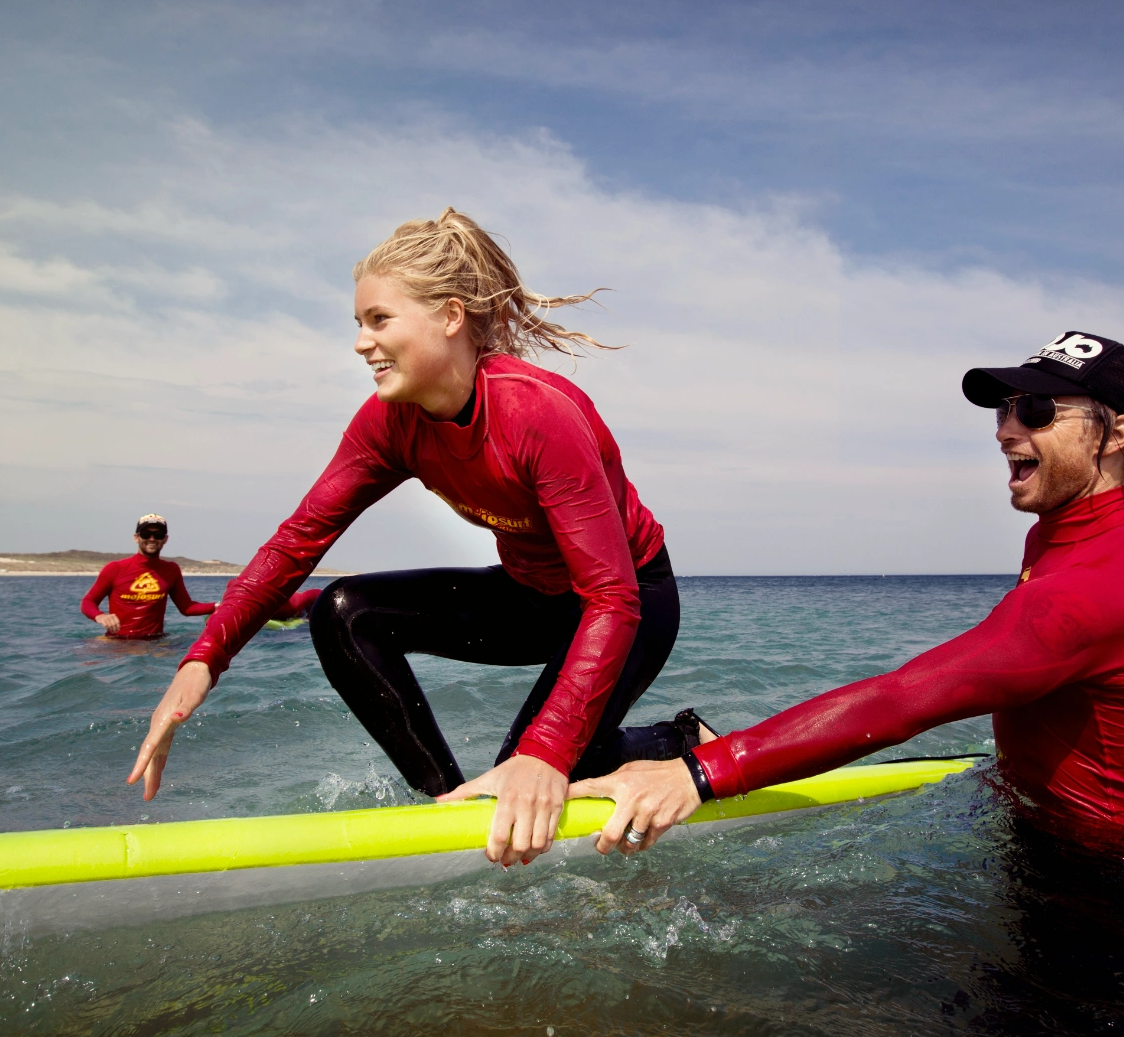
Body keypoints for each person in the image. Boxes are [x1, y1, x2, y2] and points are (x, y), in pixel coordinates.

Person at [127, 209, 703, 865]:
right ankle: (450, 806)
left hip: (629, 603)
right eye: (357, 325)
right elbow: (297, 542)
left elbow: (611, 597)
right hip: (530, 598)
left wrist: (543, 757)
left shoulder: (535, 414)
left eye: (379, 319)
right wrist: (203, 660)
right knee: (345, 613)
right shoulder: (390, 423)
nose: (360, 343)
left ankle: (677, 741)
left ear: (450, 316)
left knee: (550, 769)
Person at [572, 330, 1124, 857]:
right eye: (1003, 410)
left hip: (1108, 877)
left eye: (1035, 411)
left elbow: (907, 698)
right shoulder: (1066, 541)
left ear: (1114, 436)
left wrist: (700, 776)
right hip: (1043, 834)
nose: (1006, 431)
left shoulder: (1098, 584)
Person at [80, 514, 218, 638]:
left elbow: (187, 607)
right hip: (118, 643)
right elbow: (88, 602)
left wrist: (219, 606)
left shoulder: (171, 569)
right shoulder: (115, 568)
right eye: (146, 534)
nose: (152, 539)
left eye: (158, 535)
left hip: (155, 642)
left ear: (165, 539)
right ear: (136, 538)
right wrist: (100, 616)